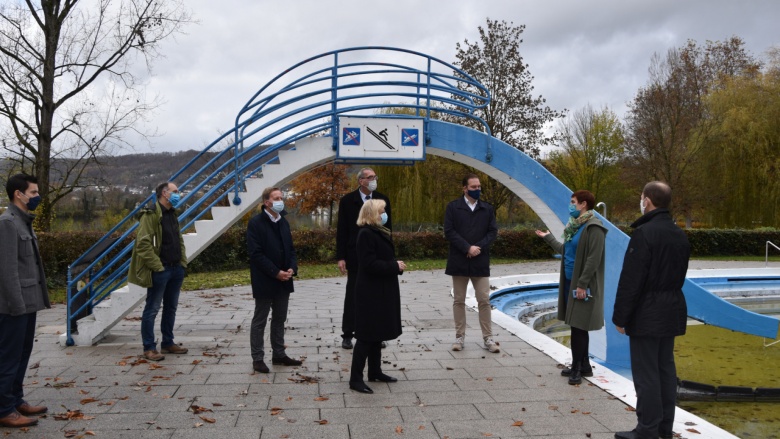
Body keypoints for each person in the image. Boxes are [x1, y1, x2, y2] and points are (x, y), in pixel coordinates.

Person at [612, 181, 690, 439]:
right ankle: (663, 428)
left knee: (646, 374)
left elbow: (632, 280)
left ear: (648, 201)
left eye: (641, 197)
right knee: (665, 371)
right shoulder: (679, 234)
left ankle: (646, 430)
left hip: (647, 313)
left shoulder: (644, 233)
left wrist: (621, 316)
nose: (640, 201)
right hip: (671, 309)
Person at [535, 190, 607, 385]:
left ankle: (577, 368)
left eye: (573, 202)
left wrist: (582, 284)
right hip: (570, 282)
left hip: (582, 285)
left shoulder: (594, 228)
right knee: (577, 326)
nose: (570, 205)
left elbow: (593, 259)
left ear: (583, 204)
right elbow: (565, 250)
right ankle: (584, 365)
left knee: (579, 326)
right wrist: (548, 237)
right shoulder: (574, 227)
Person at [0, 174, 51, 428]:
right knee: (9, 357)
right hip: (13, 307)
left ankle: (16, 400)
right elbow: (7, 271)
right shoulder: (8, 223)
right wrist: (17, 306)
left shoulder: (24, 221)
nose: (36, 197)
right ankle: (3, 409)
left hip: (27, 303)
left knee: (22, 354)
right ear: (18, 195)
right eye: (32, 193)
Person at [348, 199, 405, 393]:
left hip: (381, 288)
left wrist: (394, 264)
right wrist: (394, 266)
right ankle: (355, 378)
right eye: (382, 211)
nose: (384, 215)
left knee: (377, 332)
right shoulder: (366, 234)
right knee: (366, 335)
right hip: (370, 291)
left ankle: (375, 371)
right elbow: (369, 264)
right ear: (372, 214)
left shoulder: (378, 232)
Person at [129, 181, 189, 361]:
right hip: (161, 269)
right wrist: (158, 266)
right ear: (165, 193)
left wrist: (182, 262)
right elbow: (143, 244)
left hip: (176, 268)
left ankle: (168, 342)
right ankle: (149, 347)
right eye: (176, 191)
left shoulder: (172, 214)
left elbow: (178, 239)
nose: (179, 194)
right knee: (152, 309)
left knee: (170, 308)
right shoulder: (151, 215)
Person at [247, 187, 303, 373]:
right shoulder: (256, 223)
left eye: (281, 197)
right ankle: (257, 358)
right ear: (267, 202)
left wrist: (291, 269)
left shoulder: (284, 222)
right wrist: (275, 272)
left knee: (279, 318)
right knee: (260, 320)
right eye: (276, 198)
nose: (281, 200)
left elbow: (291, 250)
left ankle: (279, 354)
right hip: (265, 279)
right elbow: (256, 253)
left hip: (284, 279)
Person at [336, 167, 391, 350]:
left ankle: (376, 333)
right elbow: (342, 230)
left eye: (375, 176)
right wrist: (341, 256)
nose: (374, 179)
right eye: (370, 177)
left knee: (377, 295)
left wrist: (389, 257)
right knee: (353, 294)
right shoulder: (347, 201)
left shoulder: (382, 200)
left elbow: (388, 229)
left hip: (377, 256)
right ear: (361, 181)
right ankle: (348, 333)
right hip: (355, 255)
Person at [444, 173, 499, 353]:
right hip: (459, 260)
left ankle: (488, 338)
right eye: (474, 187)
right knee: (458, 300)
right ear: (465, 188)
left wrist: (477, 248)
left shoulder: (487, 209)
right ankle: (459, 337)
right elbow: (449, 231)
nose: (477, 190)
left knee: (484, 300)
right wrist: (467, 248)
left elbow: (492, 232)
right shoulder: (453, 207)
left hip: (480, 260)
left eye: (479, 187)